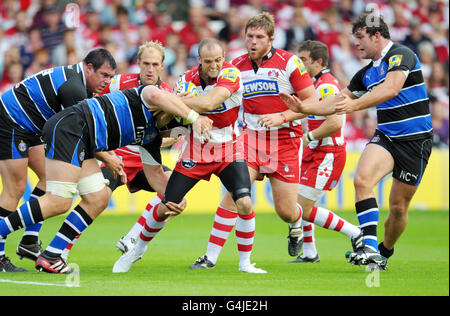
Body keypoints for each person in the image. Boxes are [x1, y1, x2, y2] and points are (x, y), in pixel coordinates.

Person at [0, 81, 212, 274]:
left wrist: (174, 197)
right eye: (178, 123)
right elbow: (158, 97)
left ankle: (51, 256)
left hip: (82, 138)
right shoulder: (149, 94)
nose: (174, 132)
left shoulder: (151, 137)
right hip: (71, 127)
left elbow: (155, 176)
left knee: (98, 197)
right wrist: (195, 116)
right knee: (59, 201)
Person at [280, 12, 433, 270]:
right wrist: (305, 108)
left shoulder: (401, 55)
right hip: (386, 137)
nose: (356, 44)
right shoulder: (364, 74)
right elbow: (336, 101)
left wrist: (353, 106)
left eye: (360, 38)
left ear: (376, 35)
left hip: (415, 140)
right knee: (361, 180)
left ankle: (384, 251)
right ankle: (369, 248)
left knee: (397, 208)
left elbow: (390, 89)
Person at [112, 38, 266, 274]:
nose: (214, 66)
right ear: (199, 61)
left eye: (218, 60)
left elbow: (210, 101)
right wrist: (171, 107)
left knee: (244, 202)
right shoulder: (185, 80)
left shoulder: (231, 74)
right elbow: (164, 119)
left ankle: (245, 263)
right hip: (196, 151)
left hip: (229, 149)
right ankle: (137, 249)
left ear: (223, 58)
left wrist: (177, 102)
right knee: (167, 206)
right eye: (208, 62)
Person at [189, 12, 317, 270]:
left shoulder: (290, 63)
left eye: (260, 37)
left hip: (285, 140)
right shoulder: (234, 66)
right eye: (250, 36)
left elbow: (313, 104)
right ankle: (210, 257)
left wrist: (281, 116)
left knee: (286, 210)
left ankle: (296, 224)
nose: (253, 41)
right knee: (235, 196)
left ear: (271, 39)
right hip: (249, 139)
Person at [0, 48, 117, 272]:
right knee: (14, 189)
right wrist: (108, 158)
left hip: (31, 125)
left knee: (47, 177)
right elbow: (79, 133)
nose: (107, 81)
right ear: (89, 67)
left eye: (111, 77)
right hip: (10, 119)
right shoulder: (74, 88)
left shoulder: (78, 81)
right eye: (104, 75)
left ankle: (29, 242)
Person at [60, 41, 177, 260]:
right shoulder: (119, 82)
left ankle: (132, 239)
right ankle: (61, 251)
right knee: (95, 199)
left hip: (144, 159)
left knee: (175, 196)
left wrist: (151, 141)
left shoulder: (167, 94)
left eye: (155, 64)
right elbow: (90, 102)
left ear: (162, 66)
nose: (150, 69)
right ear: (138, 63)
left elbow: (170, 136)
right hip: (116, 154)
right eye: (145, 64)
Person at [286, 40, 363, 263]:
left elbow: (336, 123)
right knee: (302, 203)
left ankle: (355, 233)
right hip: (316, 151)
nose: (299, 66)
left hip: (327, 153)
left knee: (301, 207)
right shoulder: (316, 83)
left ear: (318, 62)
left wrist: (307, 138)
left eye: (303, 61)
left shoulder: (326, 85)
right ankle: (310, 252)